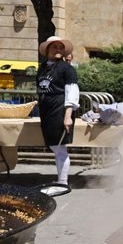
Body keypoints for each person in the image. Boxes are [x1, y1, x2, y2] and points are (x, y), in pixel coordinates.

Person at [36, 36, 80, 186]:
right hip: (46, 111)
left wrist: (68, 116)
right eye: (55, 47)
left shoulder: (67, 69)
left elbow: (72, 92)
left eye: (60, 47)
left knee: (59, 147)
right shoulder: (42, 68)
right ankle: (60, 179)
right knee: (54, 146)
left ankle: (63, 182)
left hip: (60, 110)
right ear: (47, 49)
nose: (58, 50)